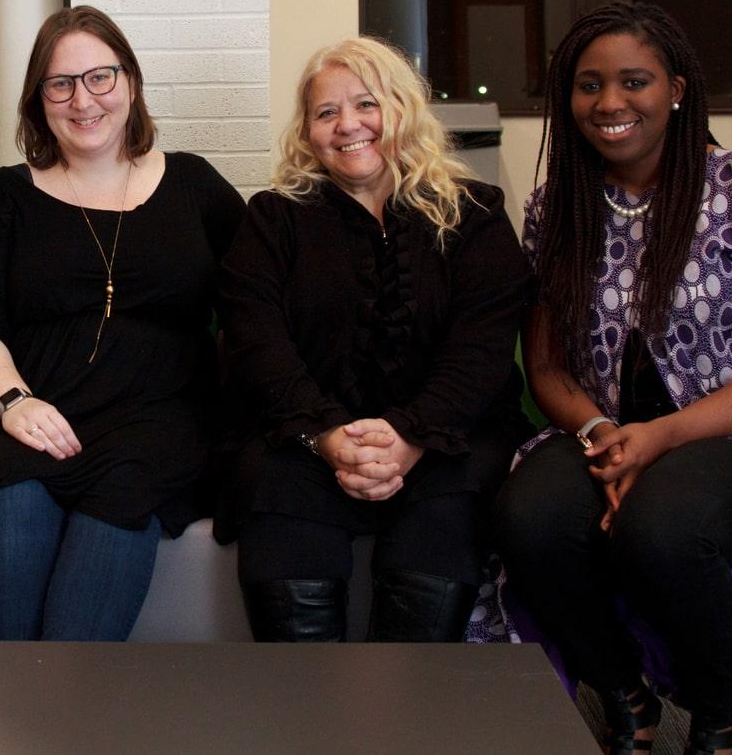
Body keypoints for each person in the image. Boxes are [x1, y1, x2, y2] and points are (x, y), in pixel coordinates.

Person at [492, 2, 732, 755]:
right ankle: (624, 694)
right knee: (529, 516)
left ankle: (722, 722)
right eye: (588, 85)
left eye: (633, 81)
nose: (609, 103)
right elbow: (543, 365)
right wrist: (606, 434)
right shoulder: (559, 205)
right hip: (597, 428)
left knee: (662, 526)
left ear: (676, 88)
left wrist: (660, 439)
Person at [215, 36, 531, 643]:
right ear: (307, 132)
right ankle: (311, 722)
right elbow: (257, 345)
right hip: (304, 438)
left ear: (401, 110)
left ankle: (398, 722)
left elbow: (482, 351)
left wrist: (411, 434)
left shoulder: (476, 214)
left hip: (447, 440)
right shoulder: (273, 218)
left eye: (366, 104)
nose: (347, 125)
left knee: (450, 503)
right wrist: (329, 436)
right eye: (326, 113)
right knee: (275, 486)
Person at [0, 5, 244, 641]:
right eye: (61, 83)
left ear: (129, 83)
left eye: (100, 77)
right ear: (38, 100)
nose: (83, 100)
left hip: (155, 428)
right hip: (32, 421)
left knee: (81, 626)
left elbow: (261, 302)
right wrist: (13, 403)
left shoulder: (195, 186)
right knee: (9, 513)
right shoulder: (4, 197)